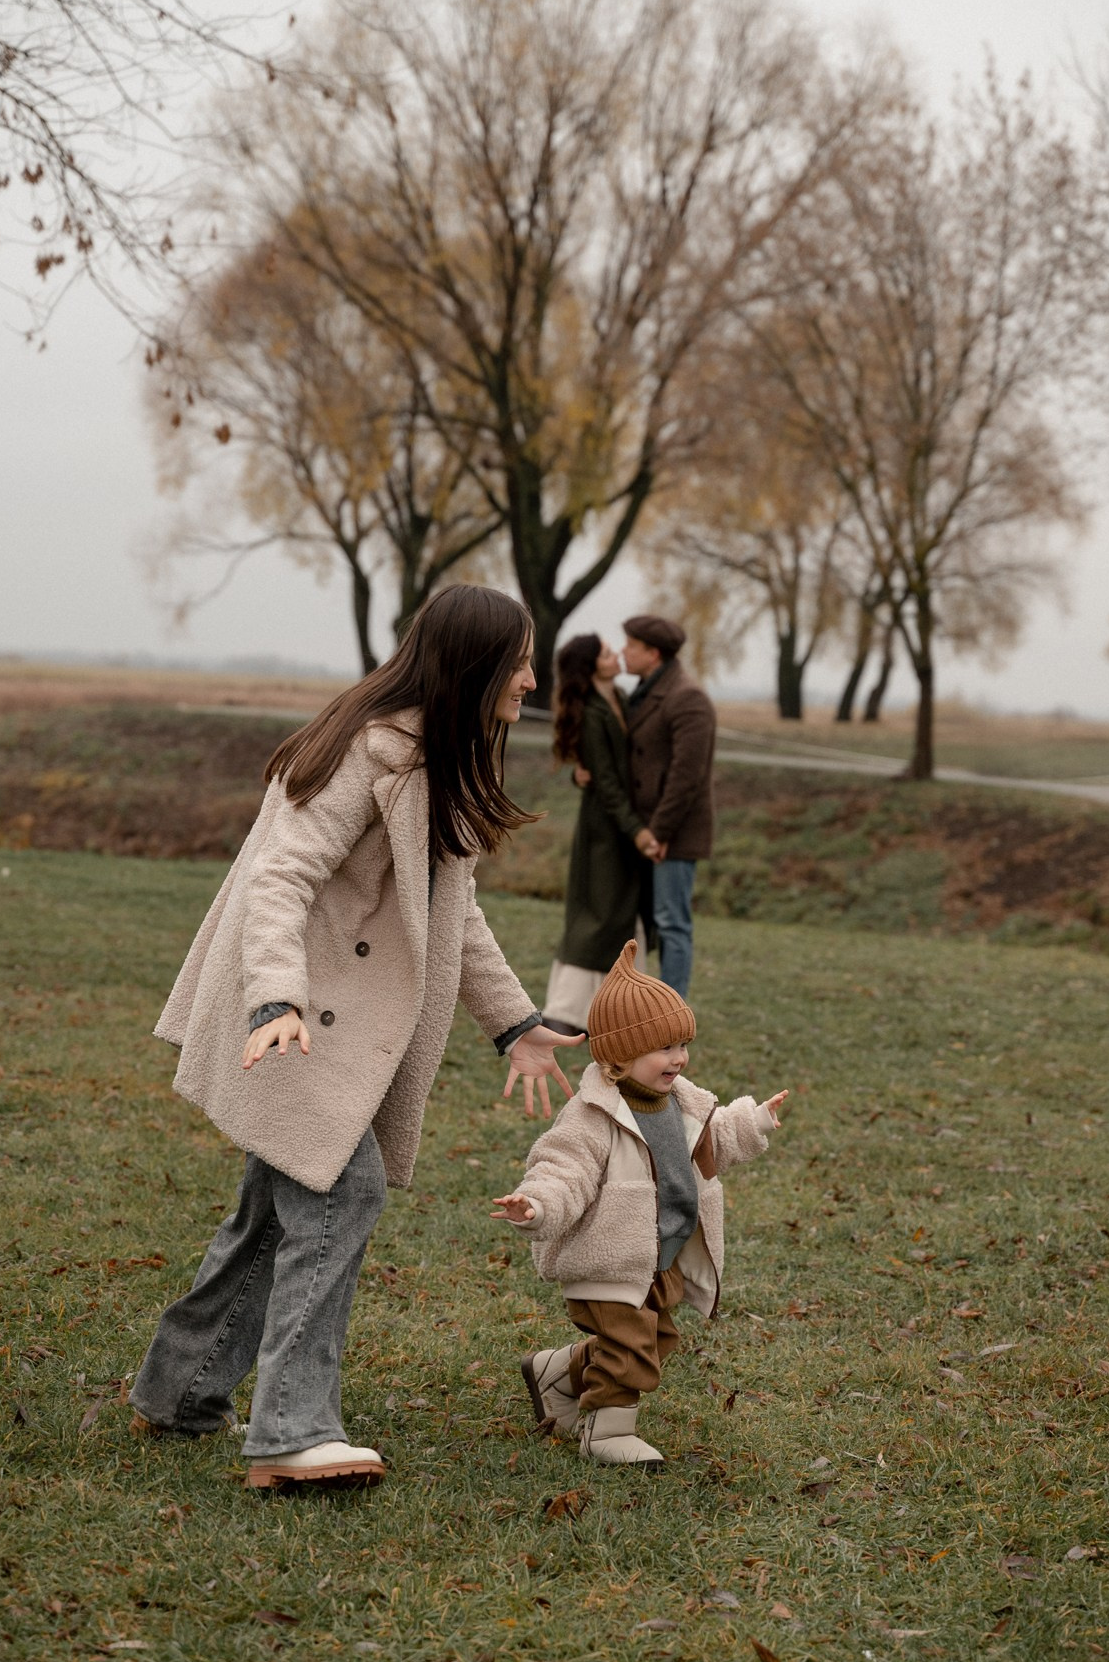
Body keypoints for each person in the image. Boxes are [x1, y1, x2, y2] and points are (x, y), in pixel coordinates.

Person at [128, 585, 582, 1492]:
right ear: (476, 665)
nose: (533, 680)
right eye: (521, 661)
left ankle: (179, 1393)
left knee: (277, 1209)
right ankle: (292, 1433)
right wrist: (274, 1000)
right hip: (295, 1021)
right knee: (339, 1192)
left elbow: (454, 916)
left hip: (323, 1023)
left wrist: (517, 1024)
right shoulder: (371, 751)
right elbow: (280, 877)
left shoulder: (436, 757)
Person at [491, 941, 787, 1467]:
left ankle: (557, 1372)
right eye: (664, 1047)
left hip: (660, 1260)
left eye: (681, 1044)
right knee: (630, 1350)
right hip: (610, 1258)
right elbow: (564, 1170)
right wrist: (535, 1204)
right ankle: (604, 1432)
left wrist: (753, 1120)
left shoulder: (684, 1101)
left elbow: (711, 1139)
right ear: (617, 1058)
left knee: (655, 1340)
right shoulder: (592, 1117)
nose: (678, 1057)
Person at [542, 633, 661, 1034]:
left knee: (619, 915)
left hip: (620, 827)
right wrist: (636, 831)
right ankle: (569, 1011)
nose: (615, 656)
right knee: (598, 915)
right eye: (607, 653)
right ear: (592, 665)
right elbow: (606, 782)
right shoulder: (593, 713)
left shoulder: (620, 699)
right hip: (605, 832)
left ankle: (622, 1009)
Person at [621, 615, 717, 1000]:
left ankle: (672, 1013)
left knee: (672, 923)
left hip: (672, 835)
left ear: (652, 652)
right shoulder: (646, 691)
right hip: (646, 830)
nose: (624, 652)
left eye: (631, 645)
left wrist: (659, 833)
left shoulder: (687, 697)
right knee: (649, 922)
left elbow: (686, 777)